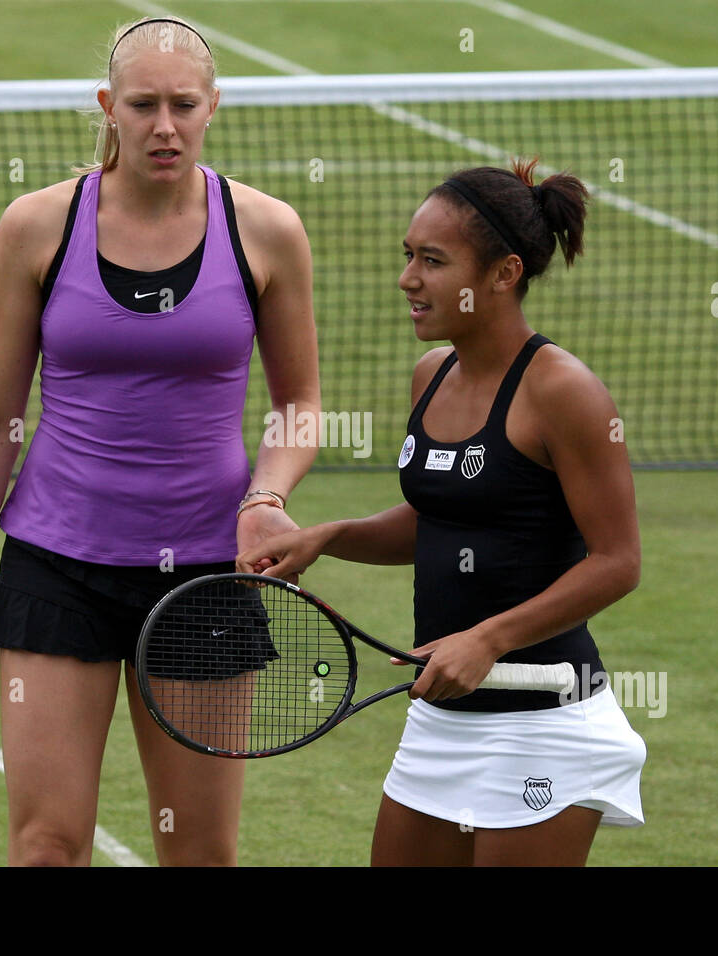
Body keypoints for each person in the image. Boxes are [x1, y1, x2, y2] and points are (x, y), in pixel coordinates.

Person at [0, 15, 320, 866]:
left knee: (200, 854)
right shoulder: (36, 227)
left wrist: (267, 494)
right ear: (109, 106)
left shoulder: (268, 230)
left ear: (213, 107)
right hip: (58, 569)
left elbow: (300, 405)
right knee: (46, 848)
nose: (164, 126)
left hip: (207, 575)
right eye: (142, 105)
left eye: (183, 105)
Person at [237, 159, 645, 866]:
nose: (408, 279)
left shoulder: (564, 393)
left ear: (504, 274)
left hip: (544, 720)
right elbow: (443, 518)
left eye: (432, 260)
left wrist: (486, 640)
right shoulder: (433, 375)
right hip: (442, 720)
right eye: (408, 256)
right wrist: (329, 537)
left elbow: (618, 562)